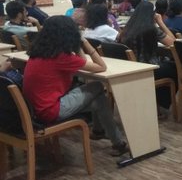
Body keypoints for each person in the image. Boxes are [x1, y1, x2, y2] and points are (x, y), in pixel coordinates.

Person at [22, 15, 128, 156]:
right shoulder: (61, 57)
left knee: (98, 98)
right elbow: (101, 66)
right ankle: (114, 140)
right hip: (51, 111)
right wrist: (84, 43)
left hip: (36, 109)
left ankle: (101, 133)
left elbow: (82, 62)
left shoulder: (39, 53)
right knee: (96, 86)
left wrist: (76, 46)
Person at [120, 1, 177, 112]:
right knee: (177, 69)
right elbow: (173, 42)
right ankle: (163, 102)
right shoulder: (151, 29)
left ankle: (157, 100)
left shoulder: (126, 30)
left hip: (130, 69)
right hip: (148, 69)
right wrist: (161, 22)